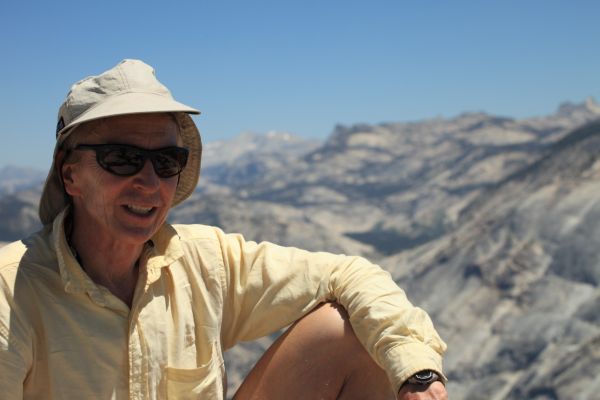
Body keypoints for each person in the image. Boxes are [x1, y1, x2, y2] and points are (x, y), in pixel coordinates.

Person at [0, 59, 448, 399]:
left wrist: (416, 372)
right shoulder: (12, 290)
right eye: (122, 158)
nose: (150, 182)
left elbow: (349, 275)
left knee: (347, 330)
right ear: (70, 174)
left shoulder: (204, 260)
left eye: (166, 162)